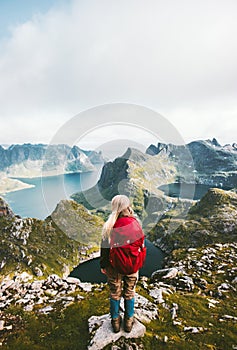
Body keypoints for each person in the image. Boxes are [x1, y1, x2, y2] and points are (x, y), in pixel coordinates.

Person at [100, 194, 146, 333]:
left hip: (114, 267)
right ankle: (128, 322)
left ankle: (115, 323)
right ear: (128, 206)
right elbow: (141, 246)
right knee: (129, 292)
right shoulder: (136, 223)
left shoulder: (109, 226)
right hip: (132, 266)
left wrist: (103, 266)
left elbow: (105, 250)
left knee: (115, 293)